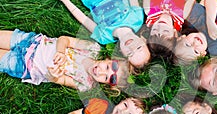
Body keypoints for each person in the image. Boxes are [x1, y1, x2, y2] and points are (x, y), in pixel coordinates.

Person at [54, 0, 150, 68]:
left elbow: (84, 19)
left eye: (130, 54)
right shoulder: (137, 19)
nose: (132, 47)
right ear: (143, 40)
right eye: (139, 48)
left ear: (123, 54)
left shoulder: (104, 37)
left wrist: (65, 0)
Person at [0, 29, 131, 92]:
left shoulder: (85, 83)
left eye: (106, 78)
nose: (101, 72)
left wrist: (53, 76)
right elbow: (64, 39)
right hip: (32, 42)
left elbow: (60, 80)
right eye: (107, 67)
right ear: (108, 59)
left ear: (105, 84)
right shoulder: (92, 48)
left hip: (26, 65)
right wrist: (60, 51)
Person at [141, 0, 209, 60]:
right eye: (165, 30)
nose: (161, 25)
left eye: (155, 30)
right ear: (175, 33)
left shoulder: (149, 11)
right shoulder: (182, 14)